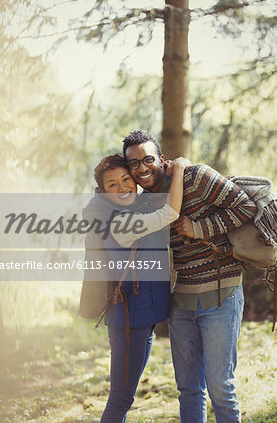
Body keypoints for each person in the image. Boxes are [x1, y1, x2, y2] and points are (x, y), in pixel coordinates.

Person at [122, 129, 257, 423]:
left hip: (220, 295)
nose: (142, 168)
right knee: (189, 390)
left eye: (147, 160)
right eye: (134, 164)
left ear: (161, 158)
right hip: (181, 303)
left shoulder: (196, 177)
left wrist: (199, 228)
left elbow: (246, 206)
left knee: (221, 388)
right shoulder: (146, 202)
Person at [82, 153, 190, 423]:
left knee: (122, 397)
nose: (122, 188)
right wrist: (180, 168)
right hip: (129, 318)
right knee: (120, 399)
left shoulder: (131, 210)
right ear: (103, 192)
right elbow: (171, 213)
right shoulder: (119, 222)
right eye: (112, 185)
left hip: (140, 317)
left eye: (125, 180)